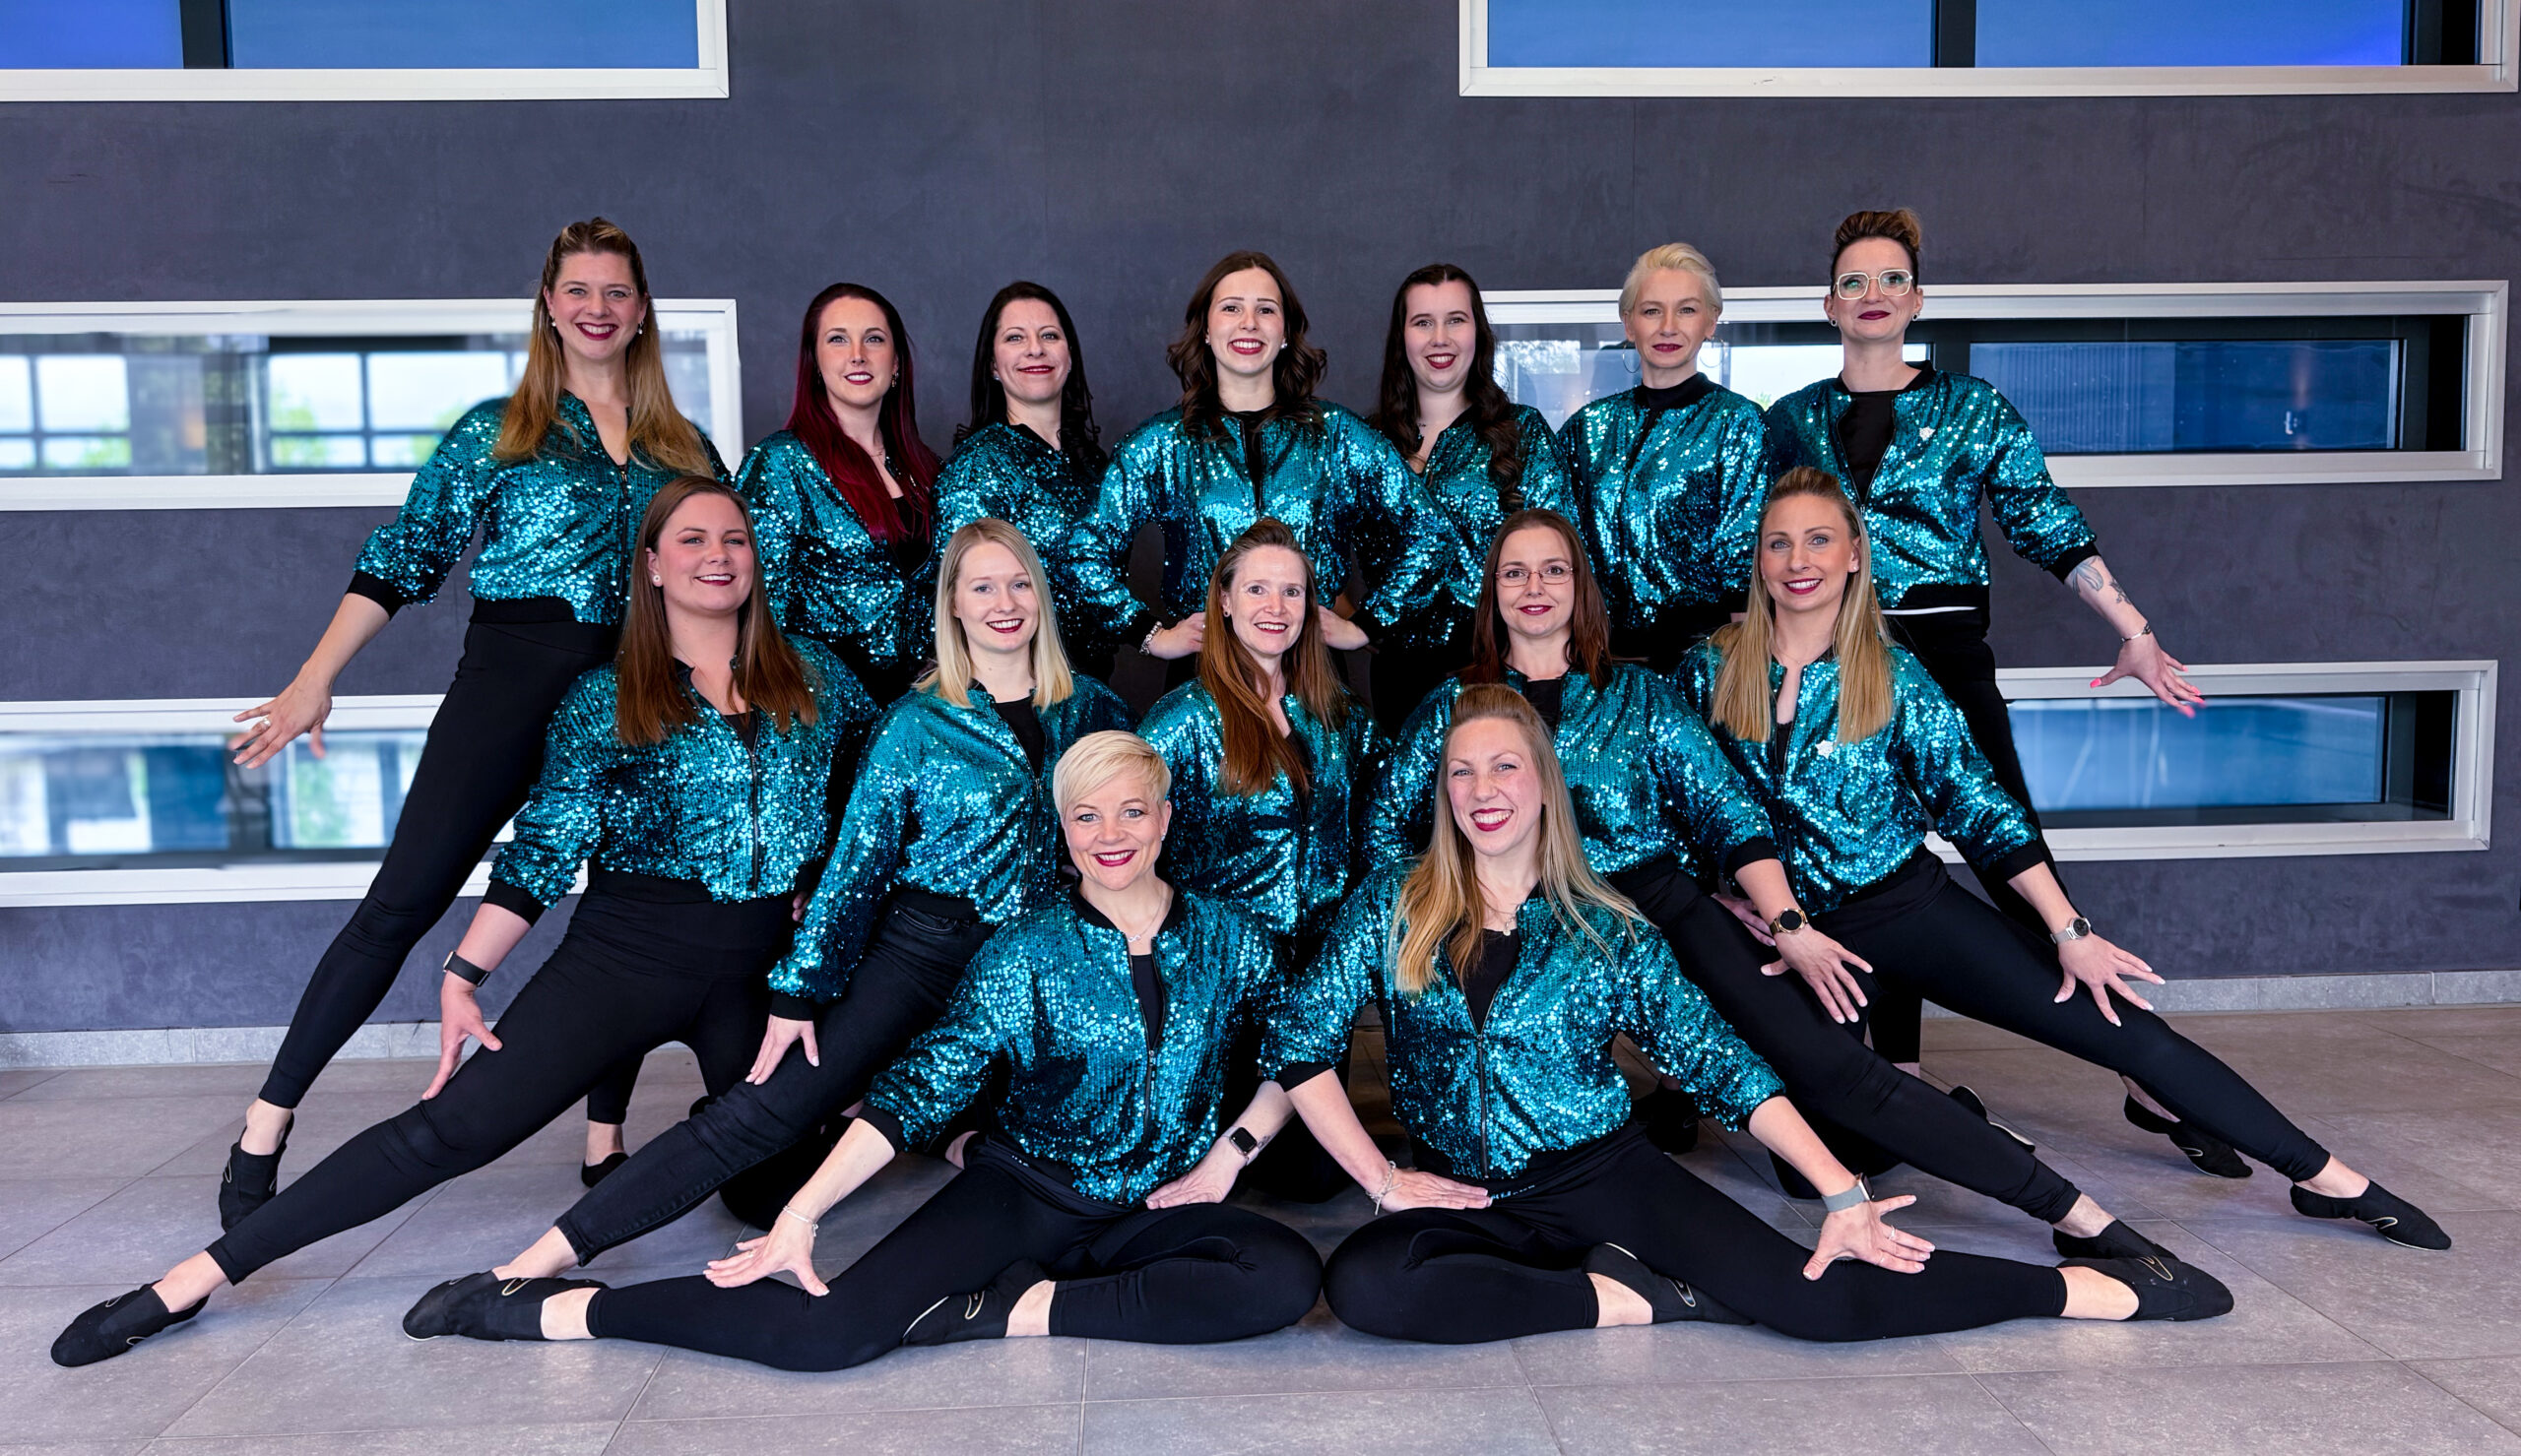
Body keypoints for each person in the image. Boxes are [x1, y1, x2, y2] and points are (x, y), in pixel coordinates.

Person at [53, 478, 877, 1367]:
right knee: (450, 1130)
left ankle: (604, 1219)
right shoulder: (604, 697)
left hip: (762, 971)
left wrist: (820, 886)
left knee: (774, 1181)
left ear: (755, 559)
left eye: (734, 539)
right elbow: (544, 850)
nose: (717, 555)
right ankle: (189, 1280)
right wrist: (464, 973)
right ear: (650, 565)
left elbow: (878, 796)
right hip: (626, 958)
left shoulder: (817, 678)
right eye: (692, 539)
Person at [1265, 685, 2230, 1344]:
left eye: (1504, 767)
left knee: (1816, 1306)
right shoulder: (1392, 904)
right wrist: (1382, 1179)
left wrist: (1839, 1192)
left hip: (1603, 1176)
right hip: (1463, 1192)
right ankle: (1625, 1296)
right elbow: (1298, 1042)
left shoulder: (1608, 926)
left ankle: (2076, 1287)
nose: (1483, 792)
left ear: (1543, 782)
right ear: (1440, 790)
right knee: (1367, 1285)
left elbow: (1723, 1066)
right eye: (1462, 772)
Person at [1675, 469, 2449, 1253]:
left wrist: (2069, 929)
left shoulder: (1896, 675)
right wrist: (1726, 898)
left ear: (1852, 555)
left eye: (1818, 540)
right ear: (1759, 559)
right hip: (1792, 937)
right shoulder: (1708, 669)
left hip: (1902, 906)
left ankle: (2327, 1177)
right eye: (1779, 543)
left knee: (2117, 1023)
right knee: (1808, 1164)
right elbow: (1674, 804)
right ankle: (1950, 1117)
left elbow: (1982, 809)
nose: (1797, 560)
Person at [402, 732, 1322, 1372]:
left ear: (1165, 818)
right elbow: (915, 1092)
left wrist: (1229, 1155)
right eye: (1087, 817)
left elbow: (1298, 1050)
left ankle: (1015, 1309)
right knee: (826, 1335)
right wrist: (803, 1212)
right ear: (1064, 829)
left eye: (1130, 812)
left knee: (1280, 1276)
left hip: (1154, 1202)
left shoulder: (1231, 938)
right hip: (1027, 1196)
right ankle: (550, 1307)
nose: (1110, 836)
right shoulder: (1025, 951)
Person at [1380, 510, 2160, 1246]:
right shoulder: (1451, 706)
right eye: (1515, 572)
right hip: (1523, 920)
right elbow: (1387, 831)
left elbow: (1727, 811)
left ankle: (2069, 1209)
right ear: (1491, 590)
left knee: (1832, 1081)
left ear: (1581, 586)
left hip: (1656, 909)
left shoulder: (1641, 692)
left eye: (1554, 569)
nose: (1535, 587)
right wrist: (1439, 906)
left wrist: (1780, 917)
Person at [443, 518, 1133, 1282]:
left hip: (1033, 961)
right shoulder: (916, 723)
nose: (1004, 603)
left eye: (1019, 584)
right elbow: (855, 871)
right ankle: (538, 1260)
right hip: (922, 953)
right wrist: (800, 991)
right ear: (953, 605)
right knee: (764, 1112)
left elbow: (1127, 841)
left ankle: (947, 1138)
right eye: (983, 587)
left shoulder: (1096, 711)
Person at [218, 218, 723, 1222]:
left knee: (629, 905)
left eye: (616, 292)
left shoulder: (685, 447)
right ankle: (265, 1123)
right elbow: (404, 555)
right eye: (577, 290)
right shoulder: (499, 430)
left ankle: (604, 1133)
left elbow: (717, 574)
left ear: (641, 312)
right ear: (549, 307)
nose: (596, 307)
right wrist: (316, 678)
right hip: (511, 683)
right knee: (401, 905)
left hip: (635, 696)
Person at [1761, 211, 2212, 1168]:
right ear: (1829, 304)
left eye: (1891, 279)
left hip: (1943, 652)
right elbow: (1760, 549)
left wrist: (2134, 631)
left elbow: (2045, 521)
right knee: (1867, 874)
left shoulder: (1974, 409)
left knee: (2015, 861)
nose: (1872, 294)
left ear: (1916, 301)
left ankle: (2146, 1070)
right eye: (1854, 281)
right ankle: (1897, 1071)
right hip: (1839, 663)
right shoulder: (1790, 419)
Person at [1055, 249, 1465, 681]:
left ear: (1285, 332)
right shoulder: (1164, 442)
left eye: (1265, 309)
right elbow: (1084, 549)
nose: (1248, 322)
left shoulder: (1335, 435)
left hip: (1311, 673)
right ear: (1206, 329)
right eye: (1231, 308)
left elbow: (1432, 531)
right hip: (1206, 674)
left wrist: (1368, 623)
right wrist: (1148, 633)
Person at [1137, 520, 1380, 1197]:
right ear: (1223, 601)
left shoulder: (1334, 712)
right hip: (1222, 977)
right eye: (1257, 590)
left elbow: (1388, 807)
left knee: (1313, 1180)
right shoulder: (1182, 718)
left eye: (1292, 592)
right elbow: (1127, 834)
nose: (1276, 607)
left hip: (1315, 974)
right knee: (1212, 1166)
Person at [1366, 262, 1572, 727]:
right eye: (1423, 322)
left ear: (1477, 331)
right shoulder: (1368, 441)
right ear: (1402, 337)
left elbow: (1563, 556)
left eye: (1455, 320)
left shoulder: (1523, 432)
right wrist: (1357, 625)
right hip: (1398, 677)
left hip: (1499, 670)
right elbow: (1318, 542)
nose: (1440, 338)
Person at [1557, 242, 1767, 672]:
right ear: (1629, 324)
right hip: (1594, 662)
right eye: (1652, 311)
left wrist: (1745, 674)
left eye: (1686, 310)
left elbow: (1744, 562)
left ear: (1711, 322)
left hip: (1701, 663)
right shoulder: (1587, 428)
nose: (1668, 327)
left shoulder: (1737, 422)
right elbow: (1558, 543)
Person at [740, 283, 942, 705]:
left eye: (874, 339)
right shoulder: (781, 463)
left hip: (925, 711)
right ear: (815, 363)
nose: (857, 355)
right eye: (838, 339)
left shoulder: (928, 469)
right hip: (827, 708)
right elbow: (759, 610)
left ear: (896, 363)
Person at [935, 281, 1116, 676]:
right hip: (1016, 685)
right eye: (1015, 337)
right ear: (992, 365)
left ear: (1070, 356)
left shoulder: (1094, 464)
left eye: (1049, 335)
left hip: (1094, 684)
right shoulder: (978, 466)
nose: (1035, 349)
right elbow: (960, 599)